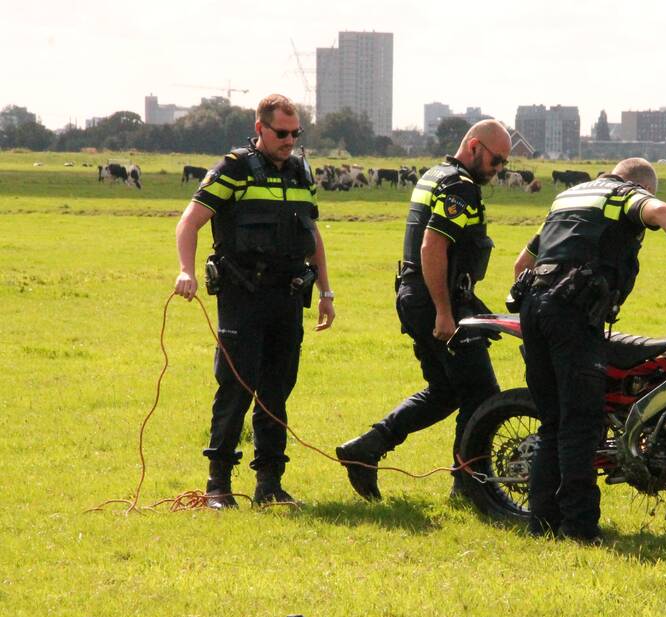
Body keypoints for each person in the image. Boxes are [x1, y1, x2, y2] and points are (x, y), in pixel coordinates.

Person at [512, 158, 666, 542]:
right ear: (644, 186)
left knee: (553, 423)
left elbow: (522, 264)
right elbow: (662, 212)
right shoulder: (624, 194)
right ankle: (580, 529)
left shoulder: (569, 196)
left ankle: (542, 525)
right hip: (571, 313)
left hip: (533, 307)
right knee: (582, 422)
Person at [173, 94, 334, 508]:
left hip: (287, 296)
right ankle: (218, 486)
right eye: (282, 133)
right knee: (236, 388)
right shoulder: (234, 170)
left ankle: (269, 486)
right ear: (260, 128)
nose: (290, 141)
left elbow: (312, 235)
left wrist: (326, 292)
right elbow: (189, 222)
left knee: (276, 391)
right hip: (243, 297)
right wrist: (186, 271)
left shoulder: (301, 173)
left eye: (296, 133)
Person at [336, 120, 511, 501]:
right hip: (436, 299)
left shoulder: (436, 175)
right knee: (482, 393)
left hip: (416, 295)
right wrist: (444, 312)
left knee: (446, 391)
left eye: (504, 165)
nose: (498, 170)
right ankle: (468, 487)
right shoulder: (460, 187)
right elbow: (432, 247)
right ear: (475, 146)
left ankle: (366, 448)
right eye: (496, 160)